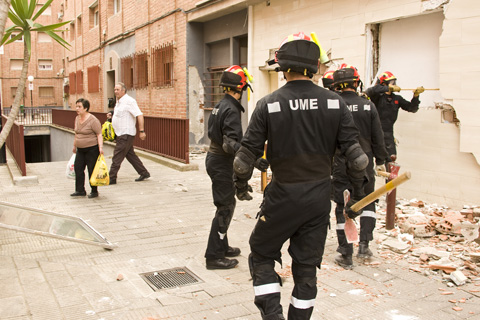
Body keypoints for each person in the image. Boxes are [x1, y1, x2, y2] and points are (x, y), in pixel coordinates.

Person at [233, 32, 368, 320]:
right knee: (307, 267)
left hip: (282, 196)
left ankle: (272, 315)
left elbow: (243, 161)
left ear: (283, 68)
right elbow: (357, 159)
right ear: (316, 67)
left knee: (261, 253)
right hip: (318, 198)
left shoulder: (269, 104)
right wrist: (356, 195)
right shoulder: (335, 103)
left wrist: (240, 186)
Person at [331, 64, 388, 269]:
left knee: (342, 206)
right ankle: (364, 245)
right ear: (357, 83)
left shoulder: (332, 106)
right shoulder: (368, 105)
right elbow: (377, 137)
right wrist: (381, 160)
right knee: (367, 202)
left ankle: (345, 253)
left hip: (340, 164)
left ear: (336, 86)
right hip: (365, 164)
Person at [204, 65, 261, 270]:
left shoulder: (221, 105)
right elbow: (229, 143)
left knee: (227, 205)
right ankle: (214, 256)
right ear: (241, 88)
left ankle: (223, 245)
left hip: (215, 159)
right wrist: (252, 159)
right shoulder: (232, 108)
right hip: (220, 161)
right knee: (225, 208)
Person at [365, 71, 424, 164]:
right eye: (392, 82)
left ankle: (391, 177)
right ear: (384, 84)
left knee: (391, 159)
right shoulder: (377, 97)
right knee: (368, 159)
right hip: (374, 133)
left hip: (388, 133)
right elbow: (370, 91)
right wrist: (386, 88)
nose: (395, 85)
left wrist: (416, 96)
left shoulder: (397, 99)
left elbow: (412, 108)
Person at [109, 82, 150, 184]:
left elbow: (139, 115)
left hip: (126, 134)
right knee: (130, 155)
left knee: (117, 156)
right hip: (120, 133)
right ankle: (144, 172)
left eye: (117, 90)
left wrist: (141, 131)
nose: (115, 92)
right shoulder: (119, 102)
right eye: (114, 90)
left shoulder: (129, 101)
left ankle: (111, 178)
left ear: (123, 90)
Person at [71, 98, 103, 198]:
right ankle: (80, 190)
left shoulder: (93, 120)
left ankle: (94, 191)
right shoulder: (77, 119)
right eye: (76, 106)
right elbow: (76, 133)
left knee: (91, 169)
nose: (77, 108)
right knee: (78, 168)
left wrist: (100, 148)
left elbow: (99, 134)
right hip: (80, 149)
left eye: (79, 107)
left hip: (91, 149)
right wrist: (74, 145)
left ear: (85, 108)